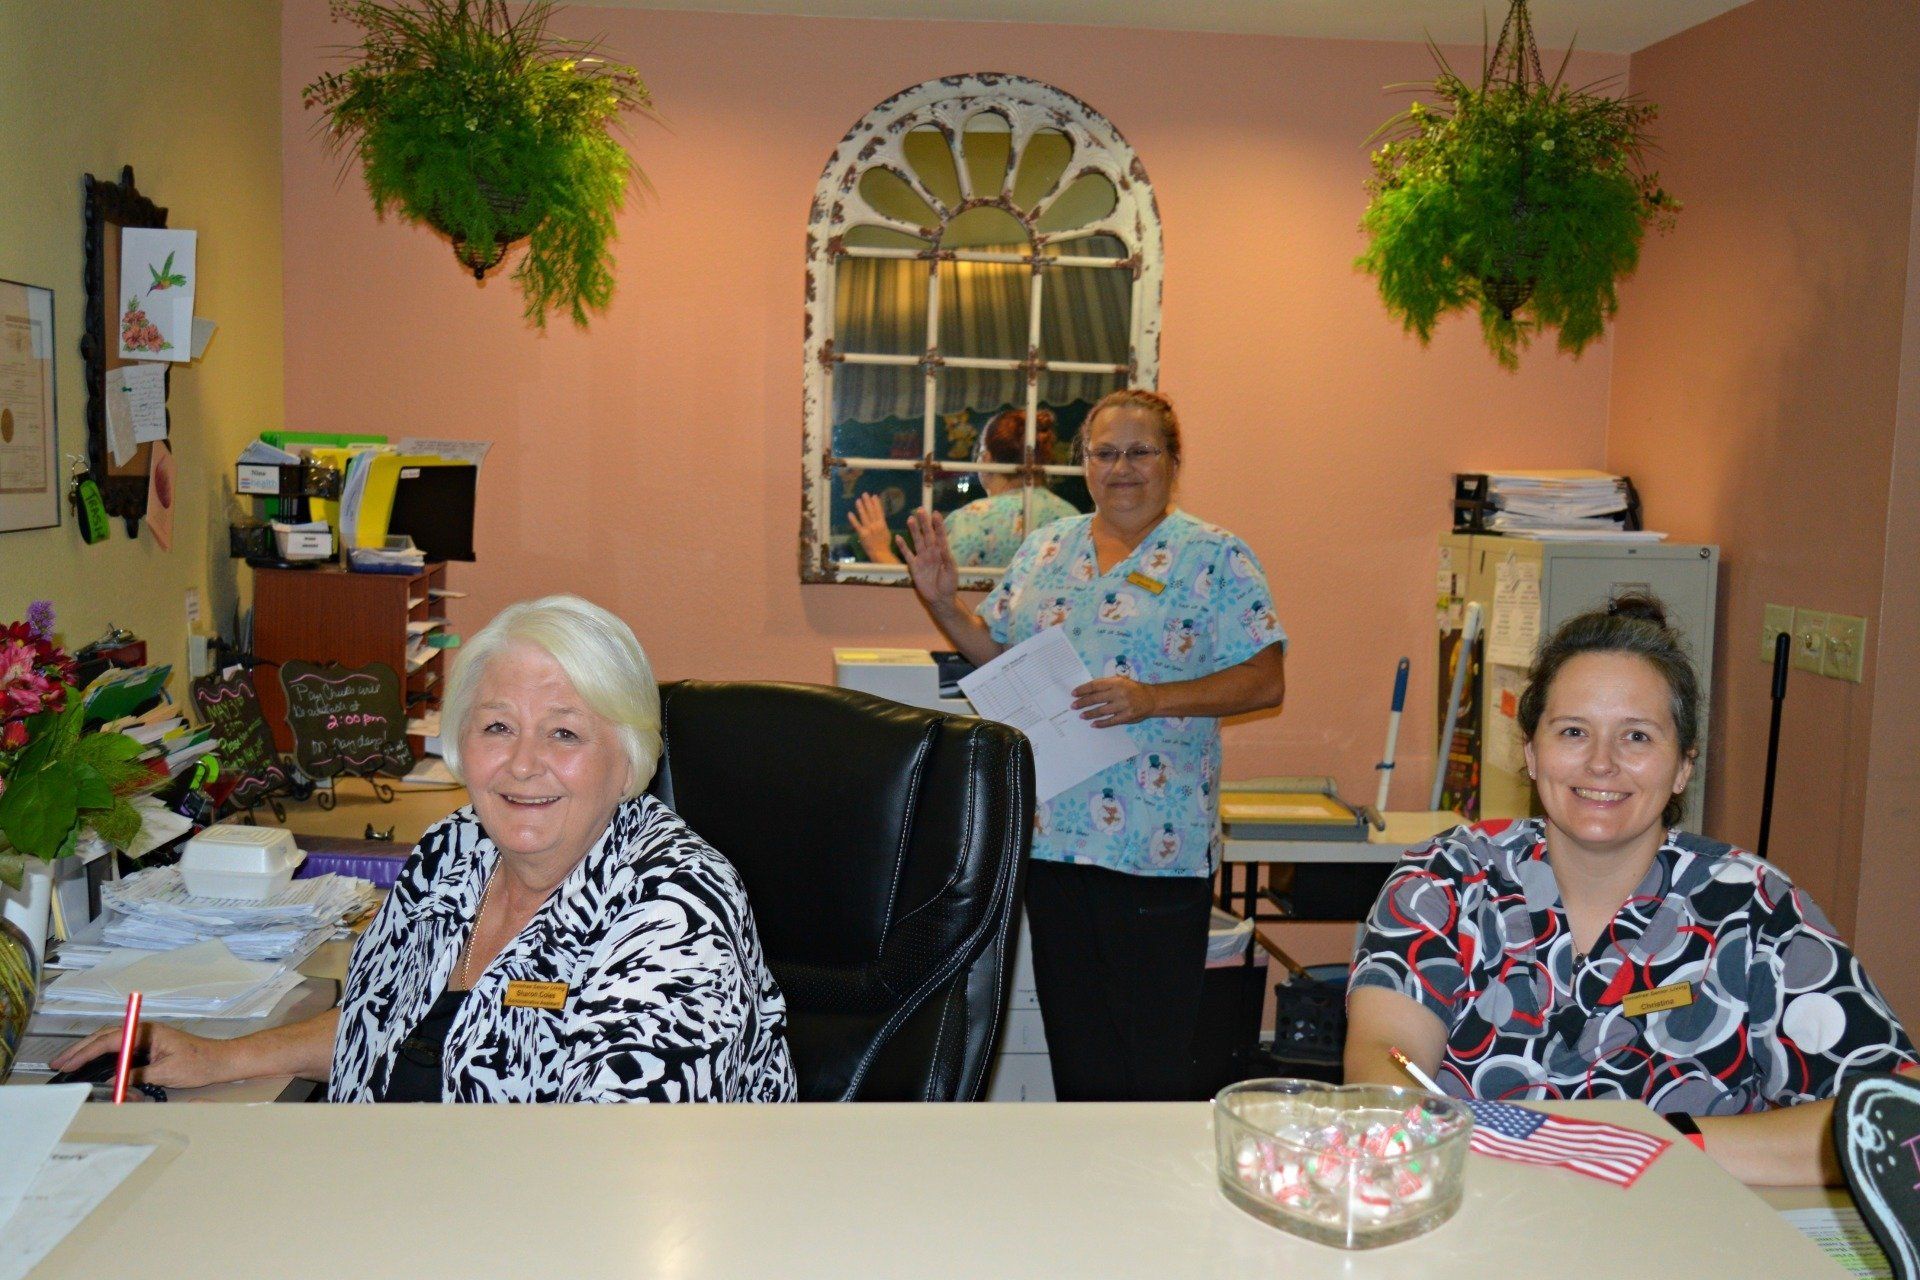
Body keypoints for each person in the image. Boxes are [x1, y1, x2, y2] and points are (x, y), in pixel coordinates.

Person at [55, 596, 798, 1104]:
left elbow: (617, 1162)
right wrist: (223, 1056)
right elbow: (386, 1022)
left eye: (565, 733)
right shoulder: (454, 853)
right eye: (497, 727)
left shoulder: (675, 910)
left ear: (628, 758)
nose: (523, 763)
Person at [1345, 596, 1917, 1185]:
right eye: (1573, 732)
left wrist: (1653, 1147)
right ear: (1532, 754)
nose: (1601, 764)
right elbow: (1381, 1058)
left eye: (1637, 737)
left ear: (1682, 768)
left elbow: (1898, 1113)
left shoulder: (1754, 910)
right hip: (1479, 1220)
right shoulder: (1446, 880)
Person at [895, 387, 1287, 1101]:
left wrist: (1154, 700)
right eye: (1105, 453)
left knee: (1154, 1060)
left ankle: (1156, 1209)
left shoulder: (1215, 556)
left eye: (1141, 451)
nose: (1122, 468)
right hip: (1051, 848)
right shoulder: (1046, 550)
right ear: (1083, 464)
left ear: (1173, 461)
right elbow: (998, 659)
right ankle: (1093, 1205)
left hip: (1155, 854)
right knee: (1078, 1053)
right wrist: (945, 605)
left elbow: (1266, 681)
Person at [849, 408, 1080, 568]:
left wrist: (879, 551)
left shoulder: (971, 520)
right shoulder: (1071, 517)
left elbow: (935, 599)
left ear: (986, 458)